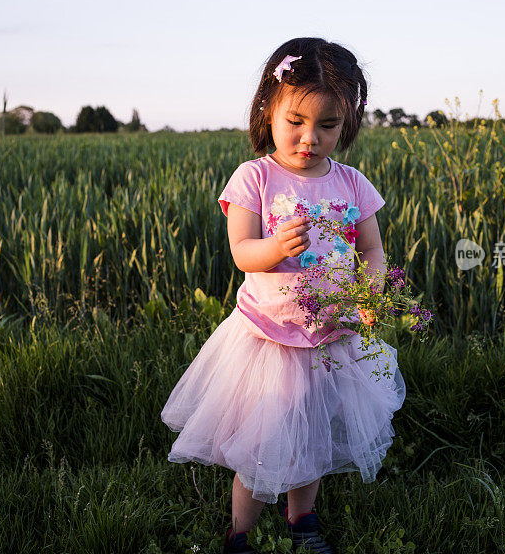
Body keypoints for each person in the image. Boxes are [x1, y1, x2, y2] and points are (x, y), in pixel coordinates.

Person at [160, 37, 406, 554]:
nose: (309, 138)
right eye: (295, 121)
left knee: (313, 436)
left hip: (328, 335)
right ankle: (241, 534)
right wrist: (273, 247)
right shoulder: (255, 178)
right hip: (267, 338)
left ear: (348, 123)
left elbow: (373, 249)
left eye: (328, 125)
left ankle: (303, 521)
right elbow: (242, 252)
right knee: (261, 443)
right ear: (266, 111)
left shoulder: (353, 184)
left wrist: (368, 289)